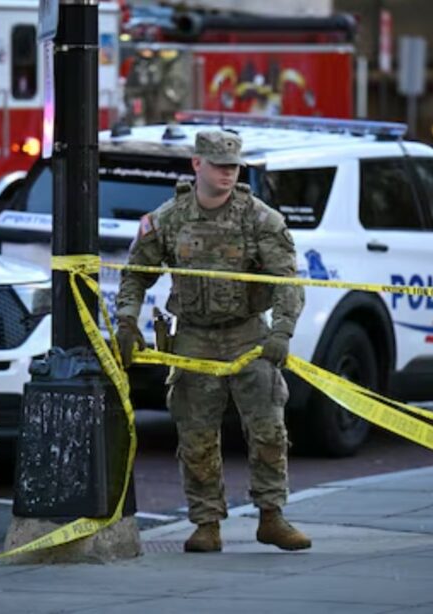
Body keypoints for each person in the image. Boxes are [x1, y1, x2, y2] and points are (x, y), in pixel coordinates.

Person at [114, 130, 311, 553]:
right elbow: (134, 275)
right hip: (193, 338)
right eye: (219, 166)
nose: (227, 174)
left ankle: (272, 517)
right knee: (196, 435)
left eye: (233, 167)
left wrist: (281, 332)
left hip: (248, 335)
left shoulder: (260, 219)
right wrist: (126, 323)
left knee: (268, 429)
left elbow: (287, 282)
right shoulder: (168, 219)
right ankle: (206, 523)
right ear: (197, 165)